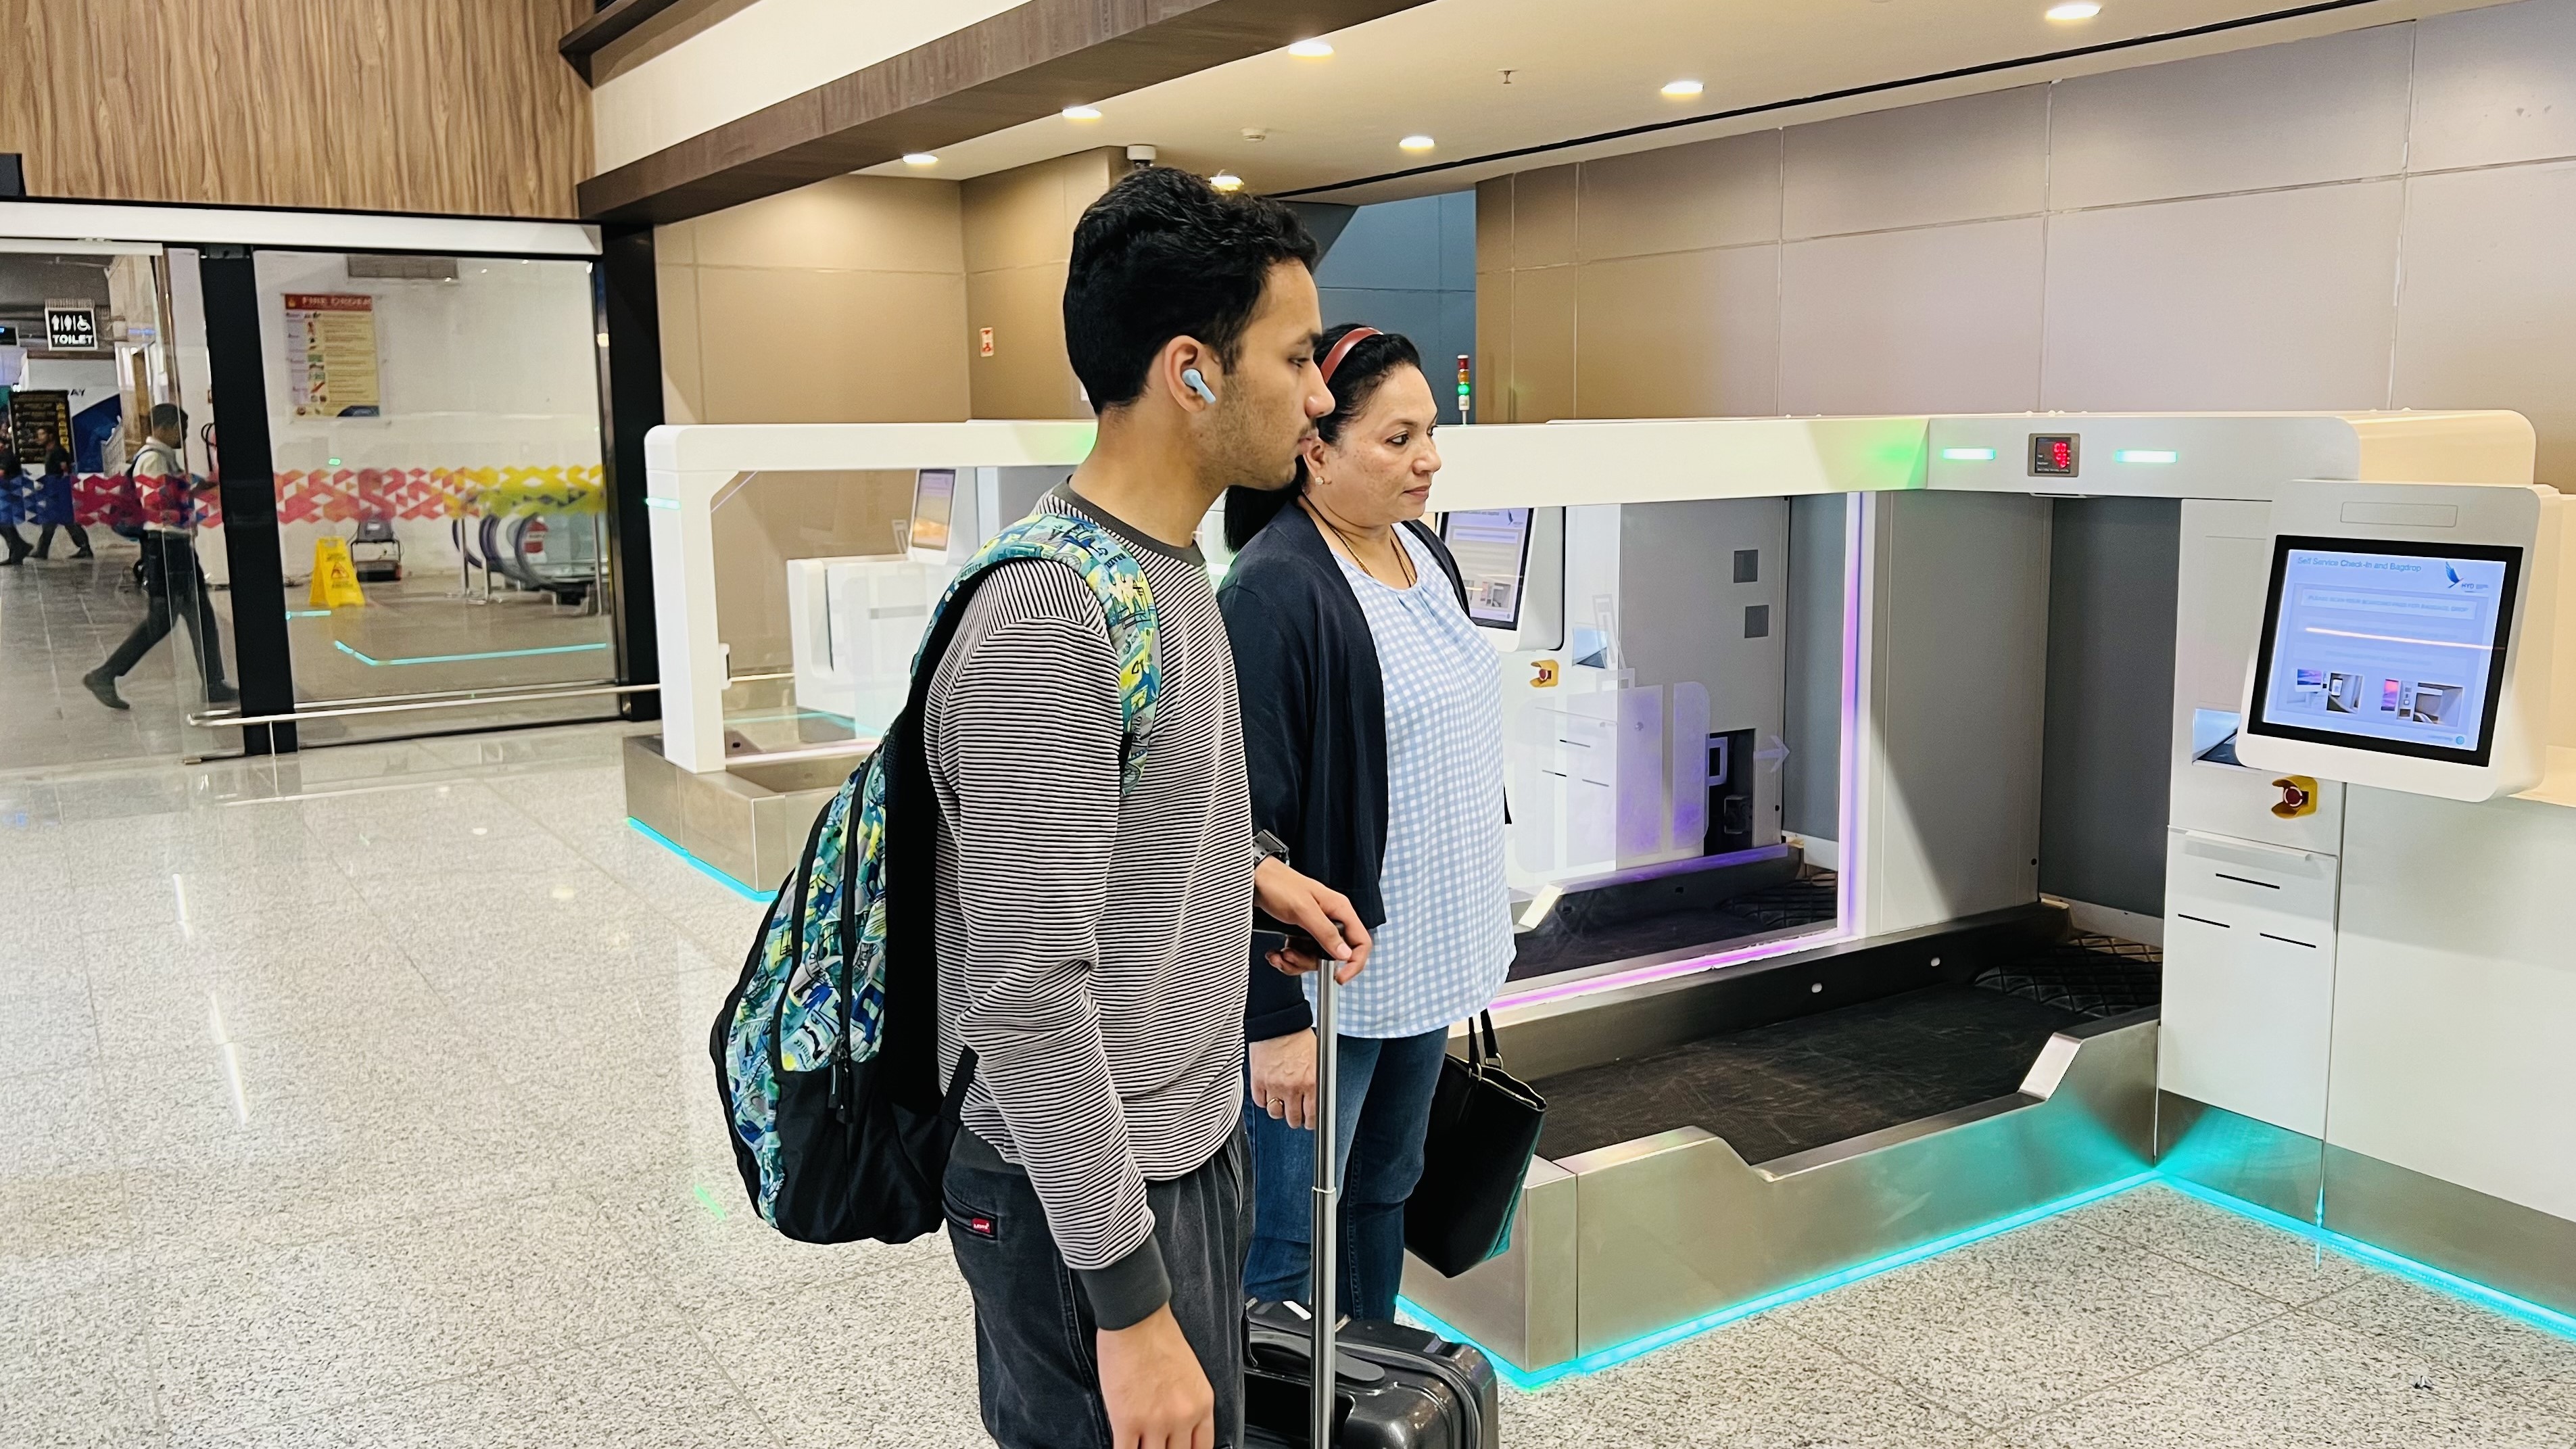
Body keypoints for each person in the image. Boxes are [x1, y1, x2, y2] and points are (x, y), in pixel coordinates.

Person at [932, 166, 1371, 1449]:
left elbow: (1130, 822)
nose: (1321, 392)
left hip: (1181, 1138)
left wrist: (1246, 871)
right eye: (1295, 356)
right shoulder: (1048, 616)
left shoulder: (1169, 569)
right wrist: (1129, 1307)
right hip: (1086, 1194)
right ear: (1191, 370)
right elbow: (1024, 994)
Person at [1218, 324, 1514, 1322]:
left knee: (1385, 1187)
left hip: (1428, 958)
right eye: (1397, 438)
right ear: (1316, 449)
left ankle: (1370, 1373)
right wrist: (1271, 1023)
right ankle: (1281, 1397)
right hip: (1329, 989)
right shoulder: (1275, 589)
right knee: (1287, 1237)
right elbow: (1239, 827)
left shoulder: (1423, 552)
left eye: (1430, 433)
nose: (1428, 459)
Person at [83, 404, 235, 708]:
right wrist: (190, 496)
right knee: (162, 621)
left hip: (175, 545)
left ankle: (214, 684)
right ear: (165, 427)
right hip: (166, 546)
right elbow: (155, 503)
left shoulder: (164, 458)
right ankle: (105, 674)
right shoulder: (152, 459)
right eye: (182, 428)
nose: (185, 435)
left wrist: (200, 487)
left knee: (201, 616)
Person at [30, 427, 91, 559]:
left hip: (59, 492)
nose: (40, 437)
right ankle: (42, 550)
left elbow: (65, 471)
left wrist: (61, 491)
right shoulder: (50, 451)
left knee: (67, 520)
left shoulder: (58, 452)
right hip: (53, 492)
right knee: (50, 521)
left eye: (43, 434)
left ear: (51, 436)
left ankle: (85, 548)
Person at [0, 435, 27, 565]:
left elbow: (1, 473)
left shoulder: (6, 455)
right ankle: (16, 554)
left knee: (4, 523)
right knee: (6, 523)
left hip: (9, 494)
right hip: (7, 494)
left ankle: (20, 548)